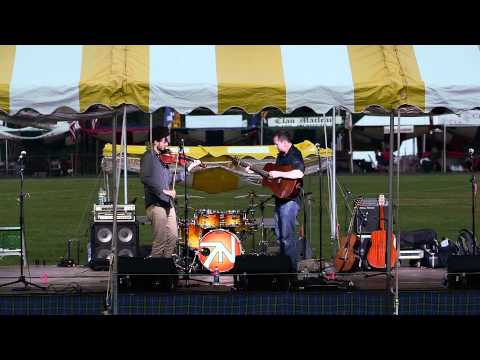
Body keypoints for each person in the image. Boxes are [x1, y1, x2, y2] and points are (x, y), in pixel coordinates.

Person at [245, 130, 305, 271]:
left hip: (290, 202)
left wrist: (278, 173)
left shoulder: (294, 154)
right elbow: (274, 178)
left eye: (276, 144)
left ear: (284, 142)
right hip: (280, 200)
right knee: (280, 237)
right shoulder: (281, 156)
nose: (275, 146)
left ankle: (291, 270)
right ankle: (284, 266)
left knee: (287, 237)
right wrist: (254, 171)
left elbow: (300, 172)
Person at [140, 127, 201, 258]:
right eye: (165, 141)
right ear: (156, 142)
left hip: (168, 204)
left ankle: (166, 266)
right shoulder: (148, 157)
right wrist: (164, 191)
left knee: (173, 237)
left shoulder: (163, 161)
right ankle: (156, 273)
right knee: (160, 241)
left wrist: (189, 168)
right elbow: (145, 178)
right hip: (156, 204)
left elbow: (172, 179)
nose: (167, 144)